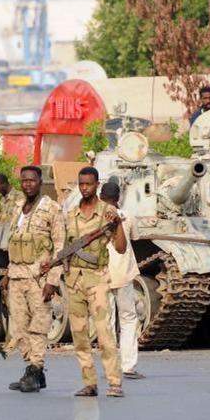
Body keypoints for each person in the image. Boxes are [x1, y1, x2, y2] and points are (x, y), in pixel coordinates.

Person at [56, 166, 126, 397]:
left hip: (97, 280)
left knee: (105, 333)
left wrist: (117, 226)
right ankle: (90, 382)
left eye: (89, 184)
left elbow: (121, 247)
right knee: (79, 334)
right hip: (75, 279)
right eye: (81, 184)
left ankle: (114, 382)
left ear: (97, 184)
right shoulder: (71, 215)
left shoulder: (108, 213)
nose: (85, 188)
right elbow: (64, 248)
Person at [1, 165, 65, 393]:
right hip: (17, 275)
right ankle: (33, 370)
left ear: (40, 182)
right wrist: (8, 274)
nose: (28, 184)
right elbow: (14, 242)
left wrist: (53, 281)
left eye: (32, 180)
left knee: (38, 327)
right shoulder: (18, 208)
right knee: (19, 327)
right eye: (24, 180)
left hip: (39, 278)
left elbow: (59, 247)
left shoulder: (51, 209)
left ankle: (36, 368)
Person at [99, 182, 145, 379]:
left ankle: (109, 367)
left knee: (106, 322)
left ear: (101, 196)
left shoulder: (95, 217)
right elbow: (134, 238)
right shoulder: (128, 216)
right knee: (128, 319)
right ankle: (128, 366)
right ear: (119, 197)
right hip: (123, 273)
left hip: (101, 274)